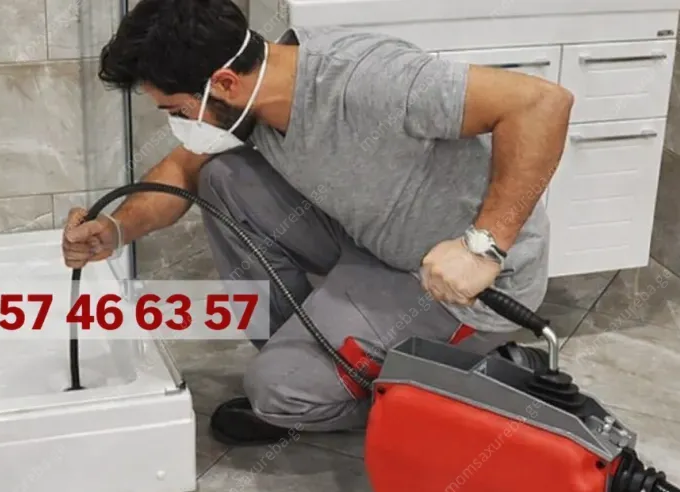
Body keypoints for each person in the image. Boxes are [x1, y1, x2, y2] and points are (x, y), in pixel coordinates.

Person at [61, 0, 572, 446]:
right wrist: (116, 230)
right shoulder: (254, 96)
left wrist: (484, 246)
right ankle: (312, 371)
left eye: (175, 109)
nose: (175, 122)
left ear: (224, 83)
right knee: (220, 177)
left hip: (462, 288)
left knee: (276, 391)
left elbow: (541, 103)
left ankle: (476, 383)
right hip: (374, 245)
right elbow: (181, 170)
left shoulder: (366, 81)